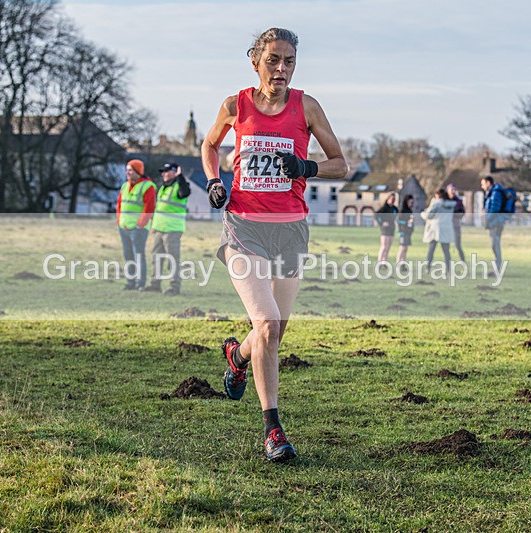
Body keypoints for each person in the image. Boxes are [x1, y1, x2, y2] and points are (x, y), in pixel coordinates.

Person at [201, 27, 347, 462]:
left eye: (289, 62)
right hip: (244, 227)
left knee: (275, 331)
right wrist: (213, 182)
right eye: (273, 61)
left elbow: (341, 164)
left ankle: (236, 355)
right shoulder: (235, 105)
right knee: (265, 323)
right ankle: (273, 430)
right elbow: (209, 145)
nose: (281, 69)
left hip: (291, 229)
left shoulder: (307, 106)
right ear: (255, 61)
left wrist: (306, 166)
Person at [145, 162, 191, 296]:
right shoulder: (164, 188)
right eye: (162, 172)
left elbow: (185, 192)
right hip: (159, 229)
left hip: (173, 230)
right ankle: (155, 284)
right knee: (156, 258)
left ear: (175, 172)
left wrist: (180, 177)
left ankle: (174, 287)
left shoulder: (181, 186)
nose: (163, 174)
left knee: (172, 260)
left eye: (166, 171)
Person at [116, 159, 156, 290]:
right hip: (124, 227)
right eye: (127, 170)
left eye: (130, 170)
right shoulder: (124, 186)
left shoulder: (147, 186)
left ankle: (140, 283)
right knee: (128, 255)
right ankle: (130, 282)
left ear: (138, 171)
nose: (127, 172)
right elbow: (119, 205)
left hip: (138, 229)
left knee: (138, 255)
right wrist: (119, 221)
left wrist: (140, 224)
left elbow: (149, 208)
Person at [421, 189, 456, 275]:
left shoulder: (437, 204)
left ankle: (428, 268)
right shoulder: (451, 205)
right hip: (447, 228)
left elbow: (428, 215)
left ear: (438, 196)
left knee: (431, 250)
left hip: (435, 229)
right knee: (446, 251)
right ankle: (449, 269)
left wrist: (422, 213)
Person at [481, 175, 507, 274]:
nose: (482, 186)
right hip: (494, 222)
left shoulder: (495, 193)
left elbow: (494, 209)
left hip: (496, 223)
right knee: (494, 245)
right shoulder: (491, 193)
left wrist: (487, 220)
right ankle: (497, 269)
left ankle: (498, 270)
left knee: (495, 245)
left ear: (488, 183)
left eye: (483, 184)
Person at [375, 193, 399, 263]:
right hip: (385, 230)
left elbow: (395, 217)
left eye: (394, 199)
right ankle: (380, 261)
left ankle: (384, 261)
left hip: (392, 229)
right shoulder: (384, 208)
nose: (392, 200)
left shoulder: (395, 209)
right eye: (391, 199)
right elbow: (377, 215)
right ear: (388, 199)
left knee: (388, 247)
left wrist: (395, 222)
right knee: (384, 246)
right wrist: (382, 223)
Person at [446, 183, 466, 262]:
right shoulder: (445, 201)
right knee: (446, 247)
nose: (453, 191)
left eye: (454, 190)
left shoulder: (458, 201)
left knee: (458, 245)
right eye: (451, 190)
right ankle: (448, 264)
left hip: (456, 226)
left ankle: (463, 261)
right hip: (447, 226)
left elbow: (462, 213)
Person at [395, 195, 414, 267]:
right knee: (402, 248)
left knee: (406, 249)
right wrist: (400, 231)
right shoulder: (402, 211)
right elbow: (399, 221)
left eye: (412, 202)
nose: (411, 204)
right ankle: (398, 264)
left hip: (408, 232)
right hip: (403, 232)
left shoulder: (410, 211)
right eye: (410, 202)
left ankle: (403, 264)